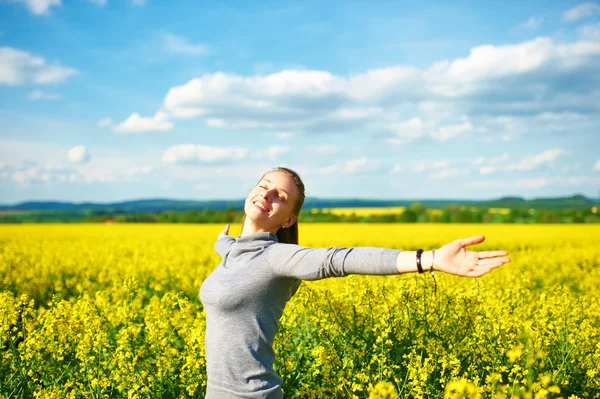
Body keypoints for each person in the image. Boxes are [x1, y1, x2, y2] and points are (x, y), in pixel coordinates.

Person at [199, 166, 511, 399]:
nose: (266, 195)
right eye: (263, 186)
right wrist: (222, 241)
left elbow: (343, 259)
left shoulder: (278, 257)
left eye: (279, 196)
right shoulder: (233, 250)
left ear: (289, 220)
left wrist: (427, 259)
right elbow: (229, 248)